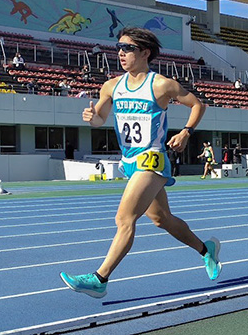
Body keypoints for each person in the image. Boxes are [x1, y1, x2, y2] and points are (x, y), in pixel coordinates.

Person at [59, 27, 221, 299]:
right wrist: (91, 118)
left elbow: (197, 105)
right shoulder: (111, 86)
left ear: (145, 53)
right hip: (130, 161)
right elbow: (99, 119)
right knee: (161, 219)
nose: (121, 53)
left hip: (153, 158)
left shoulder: (161, 85)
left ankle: (100, 279)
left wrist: (185, 132)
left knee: (124, 218)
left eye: (128, 48)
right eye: (119, 47)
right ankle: (207, 250)